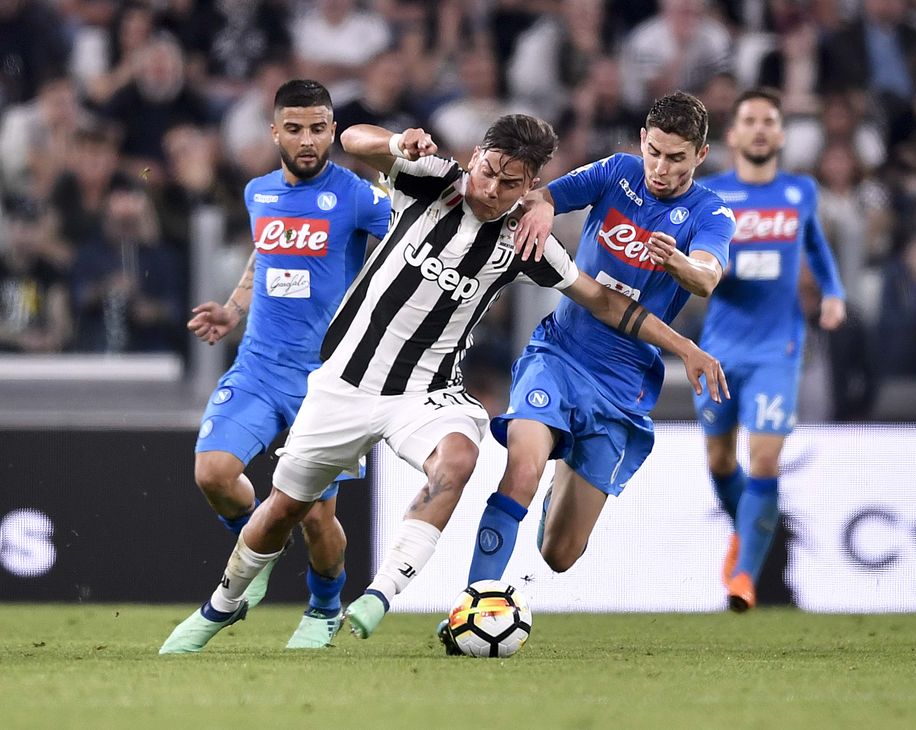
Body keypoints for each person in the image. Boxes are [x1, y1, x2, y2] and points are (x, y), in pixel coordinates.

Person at [160, 113, 725, 654]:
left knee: (458, 457)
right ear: (475, 156)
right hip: (344, 384)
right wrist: (394, 142)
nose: (492, 190)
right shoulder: (431, 179)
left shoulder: (526, 242)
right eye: (488, 171)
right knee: (286, 509)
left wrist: (686, 348)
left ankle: (381, 594)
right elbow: (353, 139)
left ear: (529, 188)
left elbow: (605, 302)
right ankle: (219, 605)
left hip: (424, 393)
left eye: (511, 185)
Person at [455, 91, 734, 652]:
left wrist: (678, 262)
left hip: (621, 385)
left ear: (700, 155)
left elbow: (706, 276)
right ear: (641, 142)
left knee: (560, 555)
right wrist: (539, 206)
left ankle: (566, 472)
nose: (661, 167)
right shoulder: (617, 172)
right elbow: (546, 195)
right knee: (522, 468)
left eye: (676, 158)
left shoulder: (711, 213)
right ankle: (472, 606)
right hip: (559, 353)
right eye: (654, 152)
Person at [182, 79, 391, 650]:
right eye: (294, 128)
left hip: (326, 382)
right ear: (274, 130)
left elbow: (411, 239)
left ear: (332, 131)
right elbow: (266, 253)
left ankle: (324, 608)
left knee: (317, 517)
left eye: (318, 128)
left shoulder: (356, 196)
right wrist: (232, 308)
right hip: (257, 367)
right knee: (213, 474)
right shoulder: (259, 193)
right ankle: (259, 547)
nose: (306, 140)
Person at [695, 88, 846, 612]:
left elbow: (816, 248)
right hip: (719, 348)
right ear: (733, 136)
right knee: (719, 459)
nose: (760, 129)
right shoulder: (710, 193)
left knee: (763, 460)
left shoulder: (800, 192)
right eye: (750, 121)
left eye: (769, 121)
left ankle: (742, 577)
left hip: (777, 349)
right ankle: (746, 533)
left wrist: (833, 293)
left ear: (780, 134)